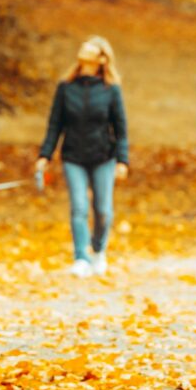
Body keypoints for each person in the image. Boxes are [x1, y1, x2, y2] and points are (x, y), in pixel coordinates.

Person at [35, 36, 129, 277]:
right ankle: (81, 257)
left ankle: (98, 250)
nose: (83, 49)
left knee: (103, 210)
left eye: (91, 48)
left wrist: (122, 160)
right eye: (83, 46)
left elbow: (120, 129)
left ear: (101, 58)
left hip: (103, 156)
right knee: (79, 206)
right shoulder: (66, 88)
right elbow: (55, 124)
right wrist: (45, 155)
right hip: (73, 156)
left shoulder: (111, 89)